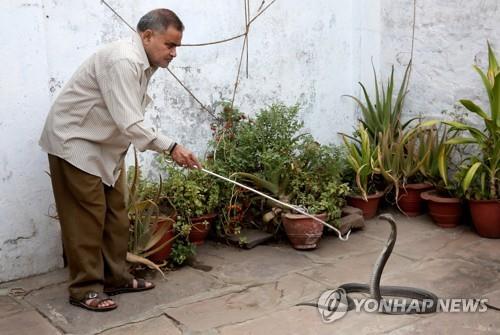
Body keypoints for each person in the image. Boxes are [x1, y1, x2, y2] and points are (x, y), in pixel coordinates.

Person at [39, 8, 201, 312]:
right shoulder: (123, 60)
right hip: (76, 142)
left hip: (105, 146)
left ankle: (116, 277)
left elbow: (125, 119)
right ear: (147, 36)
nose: (174, 53)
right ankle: (84, 289)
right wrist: (172, 147)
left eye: (177, 46)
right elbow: (130, 121)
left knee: (116, 215)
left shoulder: (144, 62)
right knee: (86, 219)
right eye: (170, 45)